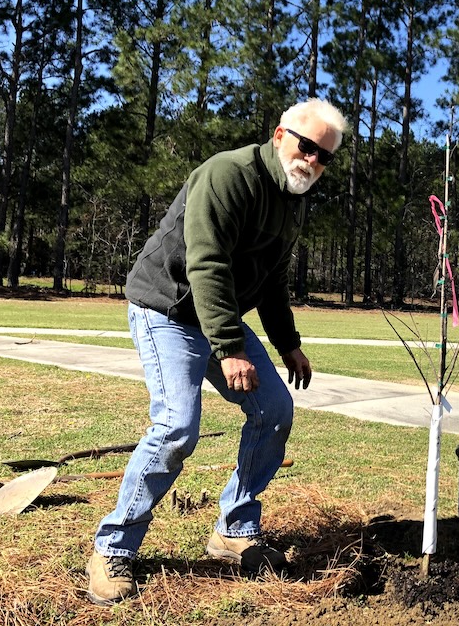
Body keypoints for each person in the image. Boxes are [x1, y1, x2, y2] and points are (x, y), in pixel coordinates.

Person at [86, 98, 348, 606]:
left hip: (218, 315)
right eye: (307, 146)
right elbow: (205, 265)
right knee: (177, 426)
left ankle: (233, 528)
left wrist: (288, 344)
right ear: (279, 135)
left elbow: (272, 281)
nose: (313, 161)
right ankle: (112, 547)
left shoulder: (292, 199)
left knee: (273, 409)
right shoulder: (228, 175)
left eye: (325, 156)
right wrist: (229, 348)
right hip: (169, 308)